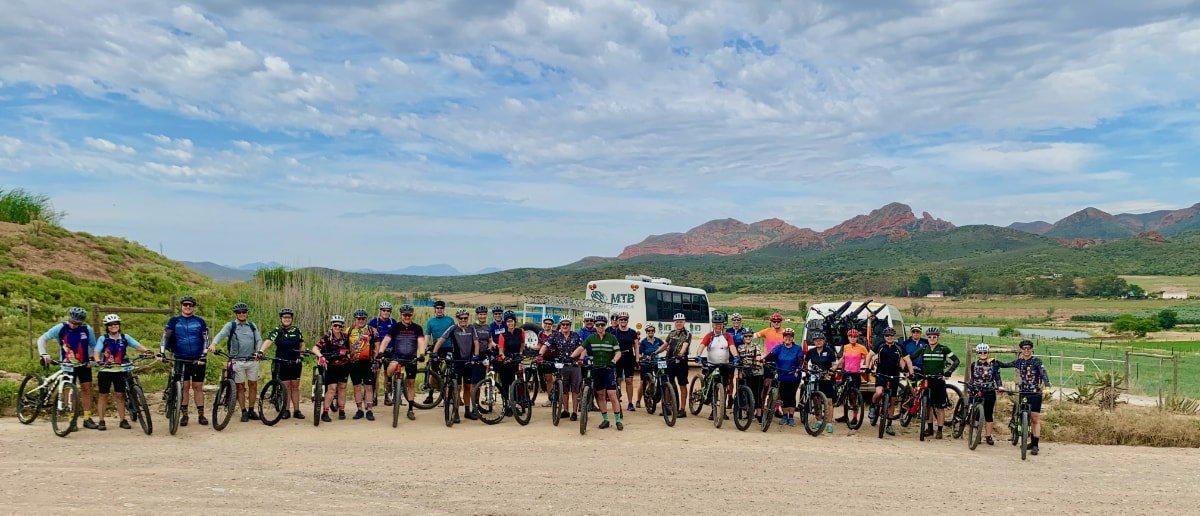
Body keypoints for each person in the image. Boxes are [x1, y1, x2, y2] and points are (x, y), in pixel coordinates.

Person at [37, 307, 98, 430]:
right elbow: (42, 339)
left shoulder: (87, 329)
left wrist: (92, 359)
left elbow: (94, 345)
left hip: (83, 365)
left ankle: (87, 418)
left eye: (76, 323)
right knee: (69, 391)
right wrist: (43, 354)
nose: (73, 325)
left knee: (87, 389)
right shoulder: (61, 328)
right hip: (67, 365)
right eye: (71, 321)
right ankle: (72, 418)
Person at [92, 314, 153, 430]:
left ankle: (122, 420)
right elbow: (96, 352)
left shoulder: (125, 337)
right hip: (106, 369)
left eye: (115, 324)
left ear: (119, 325)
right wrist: (98, 361)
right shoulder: (103, 339)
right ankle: (101, 420)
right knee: (103, 395)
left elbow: (137, 345)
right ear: (107, 327)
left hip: (121, 369)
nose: (113, 326)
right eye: (110, 325)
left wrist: (147, 351)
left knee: (120, 395)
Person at [208, 302, 263, 423]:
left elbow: (259, 339)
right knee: (240, 386)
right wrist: (213, 343)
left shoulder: (252, 325)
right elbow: (221, 334)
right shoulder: (231, 325)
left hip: (252, 360)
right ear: (236, 314)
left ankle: (251, 410)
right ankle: (243, 411)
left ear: (247, 313)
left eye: (244, 312)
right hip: (237, 361)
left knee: (253, 385)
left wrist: (259, 351)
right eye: (239, 312)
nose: (242, 314)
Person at [162, 296, 210, 426]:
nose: (187, 307)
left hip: (198, 358)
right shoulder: (174, 320)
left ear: (193, 307)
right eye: (185, 305)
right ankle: (184, 415)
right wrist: (162, 351)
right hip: (180, 358)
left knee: (198, 387)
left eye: (190, 305)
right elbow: (166, 336)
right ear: (181, 306)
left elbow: (206, 339)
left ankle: (201, 415)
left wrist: (204, 354)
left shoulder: (200, 321)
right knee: (184, 387)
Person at [998, 340, 1051, 455]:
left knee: (1035, 418)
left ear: (1032, 349)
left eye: (1028, 348)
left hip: (1035, 393)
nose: (1026, 350)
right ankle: (1021, 430)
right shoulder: (1019, 361)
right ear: (1021, 350)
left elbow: (1043, 373)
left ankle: (1035, 444)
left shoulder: (1037, 361)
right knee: (1023, 414)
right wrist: (994, 362)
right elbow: (1005, 365)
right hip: (1023, 393)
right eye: (1024, 348)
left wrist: (1047, 386)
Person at [572, 315, 624, 430]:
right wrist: (572, 357)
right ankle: (605, 419)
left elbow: (618, 352)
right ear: (595, 326)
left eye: (602, 325)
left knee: (612, 394)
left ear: (606, 325)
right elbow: (581, 348)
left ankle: (618, 421)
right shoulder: (591, 337)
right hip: (596, 368)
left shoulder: (612, 338)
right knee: (600, 395)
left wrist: (614, 361)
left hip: (608, 369)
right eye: (598, 325)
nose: (600, 327)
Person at [909, 327, 959, 439]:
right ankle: (930, 428)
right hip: (927, 380)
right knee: (928, 406)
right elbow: (911, 357)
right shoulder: (923, 348)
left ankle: (940, 430)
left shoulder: (943, 349)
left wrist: (949, 372)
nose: (932, 338)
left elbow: (956, 360)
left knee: (940, 407)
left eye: (934, 337)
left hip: (939, 380)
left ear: (938, 337)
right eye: (930, 337)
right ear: (927, 337)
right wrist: (907, 367)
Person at [433, 309, 483, 421]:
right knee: (458, 387)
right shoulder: (453, 328)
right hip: (457, 362)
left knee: (467, 387)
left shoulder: (471, 328)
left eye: (465, 318)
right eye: (461, 318)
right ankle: (455, 412)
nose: (463, 320)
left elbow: (476, 342)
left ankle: (467, 411)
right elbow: (441, 339)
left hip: (469, 362)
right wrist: (434, 352)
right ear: (458, 319)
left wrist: (476, 355)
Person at [380, 304, 425, 421]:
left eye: (409, 315)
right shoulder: (395, 327)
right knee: (390, 369)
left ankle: (410, 409)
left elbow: (421, 341)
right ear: (401, 315)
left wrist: (422, 354)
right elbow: (386, 340)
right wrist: (380, 352)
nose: (407, 317)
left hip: (411, 358)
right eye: (405, 315)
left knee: (411, 383)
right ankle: (389, 381)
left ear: (412, 315)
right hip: (397, 356)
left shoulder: (417, 328)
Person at [258, 308, 305, 420]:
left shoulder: (297, 330)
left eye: (289, 317)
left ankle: (297, 410)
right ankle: (286, 410)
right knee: (286, 387)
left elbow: (302, 344)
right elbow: (269, 341)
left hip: (295, 362)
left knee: (295, 387)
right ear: (281, 319)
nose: (287, 319)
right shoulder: (277, 330)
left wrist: (301, 355)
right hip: (282, 362)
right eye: (284, 317)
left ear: (292, 319)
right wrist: (261, 351)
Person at [866, 327, 912, 436]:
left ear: (894, 336)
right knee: (879, 392)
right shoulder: (880, 345)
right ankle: (873, 406)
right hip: (881, 374)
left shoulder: (899, 347)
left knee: (892, 401)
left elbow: (908, 360)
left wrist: (911, 372)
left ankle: (889, 424)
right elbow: (869, 355)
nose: (889, 337)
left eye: (891, 335)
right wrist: (867, 367)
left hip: (894, 375)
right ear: (884, 337)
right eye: (887, 335)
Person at [696, 312, 740, 421]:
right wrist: (698, 355)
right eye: (715, 324)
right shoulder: (709, 336)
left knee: (724, 388)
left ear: (723, 325)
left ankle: (723, 411)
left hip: (724, 365)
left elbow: (732, 347)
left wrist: (736, 356)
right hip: (711, 365)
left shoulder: (727, 336)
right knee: (712, 388)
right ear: (713, 325)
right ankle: (713, 410)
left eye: (720, 324)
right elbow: (702, 345)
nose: (718, 326)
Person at [762, 328, 804, 426]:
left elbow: (800, 360)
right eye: (786, 336)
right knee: (784, 396)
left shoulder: (797, 348)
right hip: (782, 376)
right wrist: (764, 360)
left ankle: (791, 417)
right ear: (783, 337)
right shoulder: (779, 347)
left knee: (791, 396)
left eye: (790, 337)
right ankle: (785, 416)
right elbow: (772, 355)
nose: (788, 338)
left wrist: (798, 368)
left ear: (793, 338)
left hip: (794, 376)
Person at [315, 315, 352, 422]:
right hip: (331, 366)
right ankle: (325, 412)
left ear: (342, 327)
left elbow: (351, 349)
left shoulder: (345, 337)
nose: (337, 327)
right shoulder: (327, 337)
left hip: (344, 365)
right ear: (331, 325)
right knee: (332, 388)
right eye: (335, 325)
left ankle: (341, 410)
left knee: (342, 387)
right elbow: (315, 348)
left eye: (339, 326)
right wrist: (321, 356)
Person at [656, 313, 692, 419]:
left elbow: (685, 346)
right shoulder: (671, 333)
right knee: (668, 384)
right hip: (669, 361)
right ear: (674, 323)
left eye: (681, 321)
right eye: (677, 322)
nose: (679, 323)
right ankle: (667, 407)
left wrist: (680, 355)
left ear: (684, 322)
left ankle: (682, 409)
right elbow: (665, 345)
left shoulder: (687, 334)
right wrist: (656, 352)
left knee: (682, 385)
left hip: (680, 362)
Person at [968, 343, 1003, 446]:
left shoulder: (993, 364)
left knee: (988, 414)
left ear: (988, 353)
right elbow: (972, 378)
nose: (983, 354)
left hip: (989, 390)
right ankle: (977, 436)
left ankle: (988, 436)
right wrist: (970, 386)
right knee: (976, 414)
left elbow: (997, 377)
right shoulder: (974, 364)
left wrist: (1000, 386)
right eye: (980, 352)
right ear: (977, 353)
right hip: (977, 390)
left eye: (985, 352)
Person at [803, 331, 838, 433]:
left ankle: (829, 422)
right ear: (814, 342)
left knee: (829, 401)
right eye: (816, 340)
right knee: (816, 399)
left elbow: (834, 364)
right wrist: (805, 369)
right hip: (815, 376)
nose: (818, 342)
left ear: (824, 341)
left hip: (827, 377)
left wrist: (832, 370)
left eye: (820, 340)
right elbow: (805, 362)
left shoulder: (829, 351)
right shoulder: (811, 352)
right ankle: (819, 420)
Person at [347, 308, 379, 420]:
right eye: (358, 318)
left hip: (367, 362)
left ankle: (369, 410)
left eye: (363, 318)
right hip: (354, 362)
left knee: (368, 387)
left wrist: (376, 359)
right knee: (356, 387)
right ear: (355, 319)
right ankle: (359, 409)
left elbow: (377, 345)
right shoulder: (349, 330)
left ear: (366, 319)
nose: (361, 320)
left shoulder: (371, 330)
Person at [835, 329, 870, 425]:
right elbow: (843, 358)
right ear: (848, 337)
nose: (852, 338)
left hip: (855, 374)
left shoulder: (862, 348)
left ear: (857, 338)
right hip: (846, 373)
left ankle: (855, 416)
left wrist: (867, 367)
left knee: (853, 396)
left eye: (854, 337)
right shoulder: (846, 347)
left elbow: (868, 358)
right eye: (851, 336)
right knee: (845, 394)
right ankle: (845, 415)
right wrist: (836, 366)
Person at [495, 312, 525, 417]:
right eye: (508, 321)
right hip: (506, 361)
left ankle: (515, 405)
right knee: (505, 385)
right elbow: (501, 351)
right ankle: (506, 405)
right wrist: (505, 358)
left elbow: (522, 344)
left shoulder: (520, 332)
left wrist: (521, 354)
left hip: (516, 360)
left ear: (515, 322)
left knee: (516, 384)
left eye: (511, 321)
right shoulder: (502, 335)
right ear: (506, 323)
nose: (510, 323)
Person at [609, 311, 639, 412]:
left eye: (625, 320)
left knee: (629, 381)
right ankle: (617, 401)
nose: (623, 321)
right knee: (618, 380)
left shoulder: (632, 332)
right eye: (621, 319)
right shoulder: (614, 332)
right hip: (617, 358)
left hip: (629, 358)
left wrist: (637, 358)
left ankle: (630, 403)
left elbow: (636, 345)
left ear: (627, 320)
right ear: (618, 321)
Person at [368, 301, 396, 405]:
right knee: (376, 374)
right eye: (383, 310)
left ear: (390, 312)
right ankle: (374, 396)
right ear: (380, 311)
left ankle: (387, 396)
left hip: (390, 351)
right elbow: (368, 335)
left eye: (388, 311)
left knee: (388, 374)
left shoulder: (393, 322)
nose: (385, 312)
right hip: (377, 352)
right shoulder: (374, 322)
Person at [635, 325, 664, 408]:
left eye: (652, 330)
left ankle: (660, 394)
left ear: (654, 331)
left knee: (662, 377)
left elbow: (665, 347)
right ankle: (638, 400)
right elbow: (639, 353)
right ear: (646, 332)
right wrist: (643, 357)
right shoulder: (644, 342)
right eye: (649, 331)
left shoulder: (658, 340)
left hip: (656, 361)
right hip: (646, 362)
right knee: (643, 382)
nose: (650, 332)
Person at [536, 317, 557, 407]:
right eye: (546, 323)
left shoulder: (556, 334)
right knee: (548, 379)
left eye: (549, 324)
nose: (547, 325)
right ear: (543, 324)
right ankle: (550, 398)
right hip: (545, 358)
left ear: (552, 325)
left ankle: (559, 397)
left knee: (557, 378)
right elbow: (539, 346)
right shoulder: (540, 334)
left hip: (555, 357)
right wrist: (529, 347)